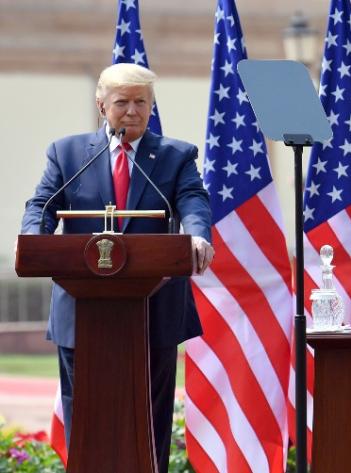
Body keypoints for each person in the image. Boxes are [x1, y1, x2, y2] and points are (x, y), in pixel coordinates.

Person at [20, 63, 214, 473]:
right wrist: (36, 238)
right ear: (101, 106)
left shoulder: (176, 156)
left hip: (154, 311)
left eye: (141, 102)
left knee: (151, 419)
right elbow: (42, 204)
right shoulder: (67, 153)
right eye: (122, 102)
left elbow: (193, 201)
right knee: (85, 415)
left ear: (151, 106)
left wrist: (197, 235)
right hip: (82, 308)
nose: (132, 111)